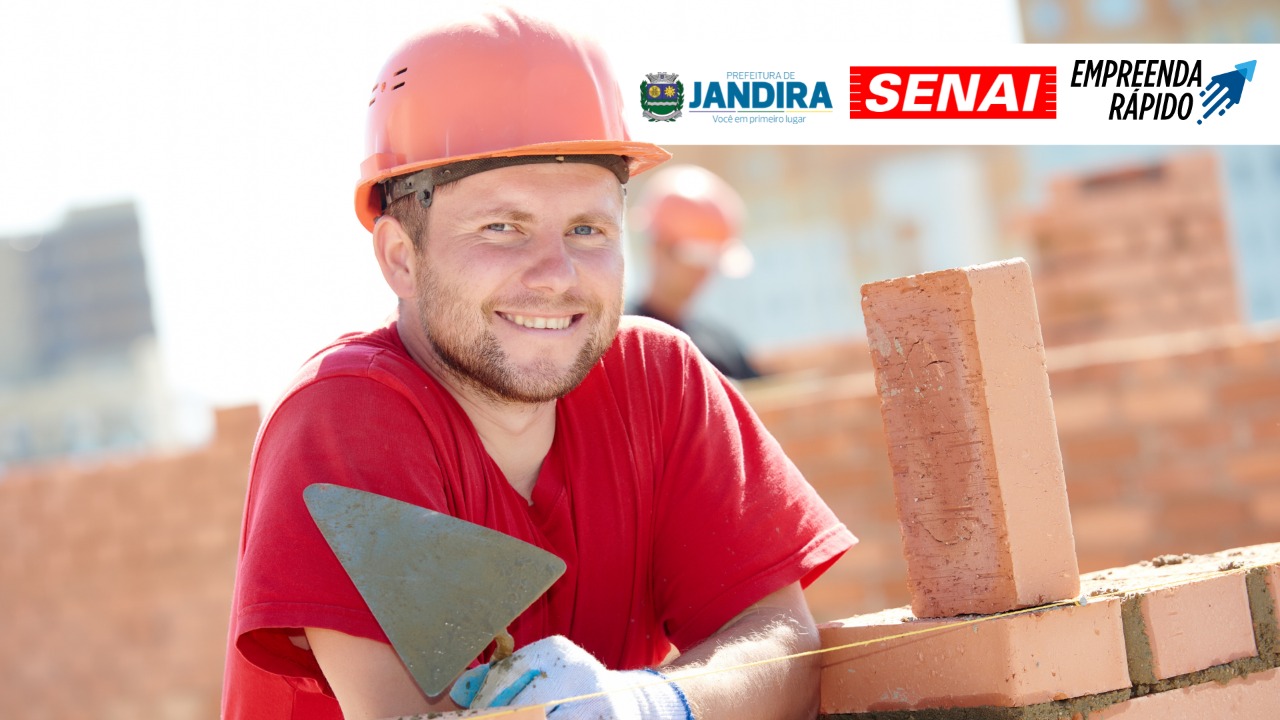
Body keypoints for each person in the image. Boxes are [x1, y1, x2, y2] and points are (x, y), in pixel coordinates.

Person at [222, 10, 855, 720]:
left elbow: (782, 643)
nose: (556, 275)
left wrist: (654, 704)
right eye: (502, 227)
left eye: (587, 229)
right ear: (401, 257)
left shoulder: (660, 381)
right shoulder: (347, 416)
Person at [629, 164, 761, 381]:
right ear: (658, 247)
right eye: (696, 257)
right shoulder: (622, 343)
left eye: (711, 260)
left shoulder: (723, 344)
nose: (703, 272)